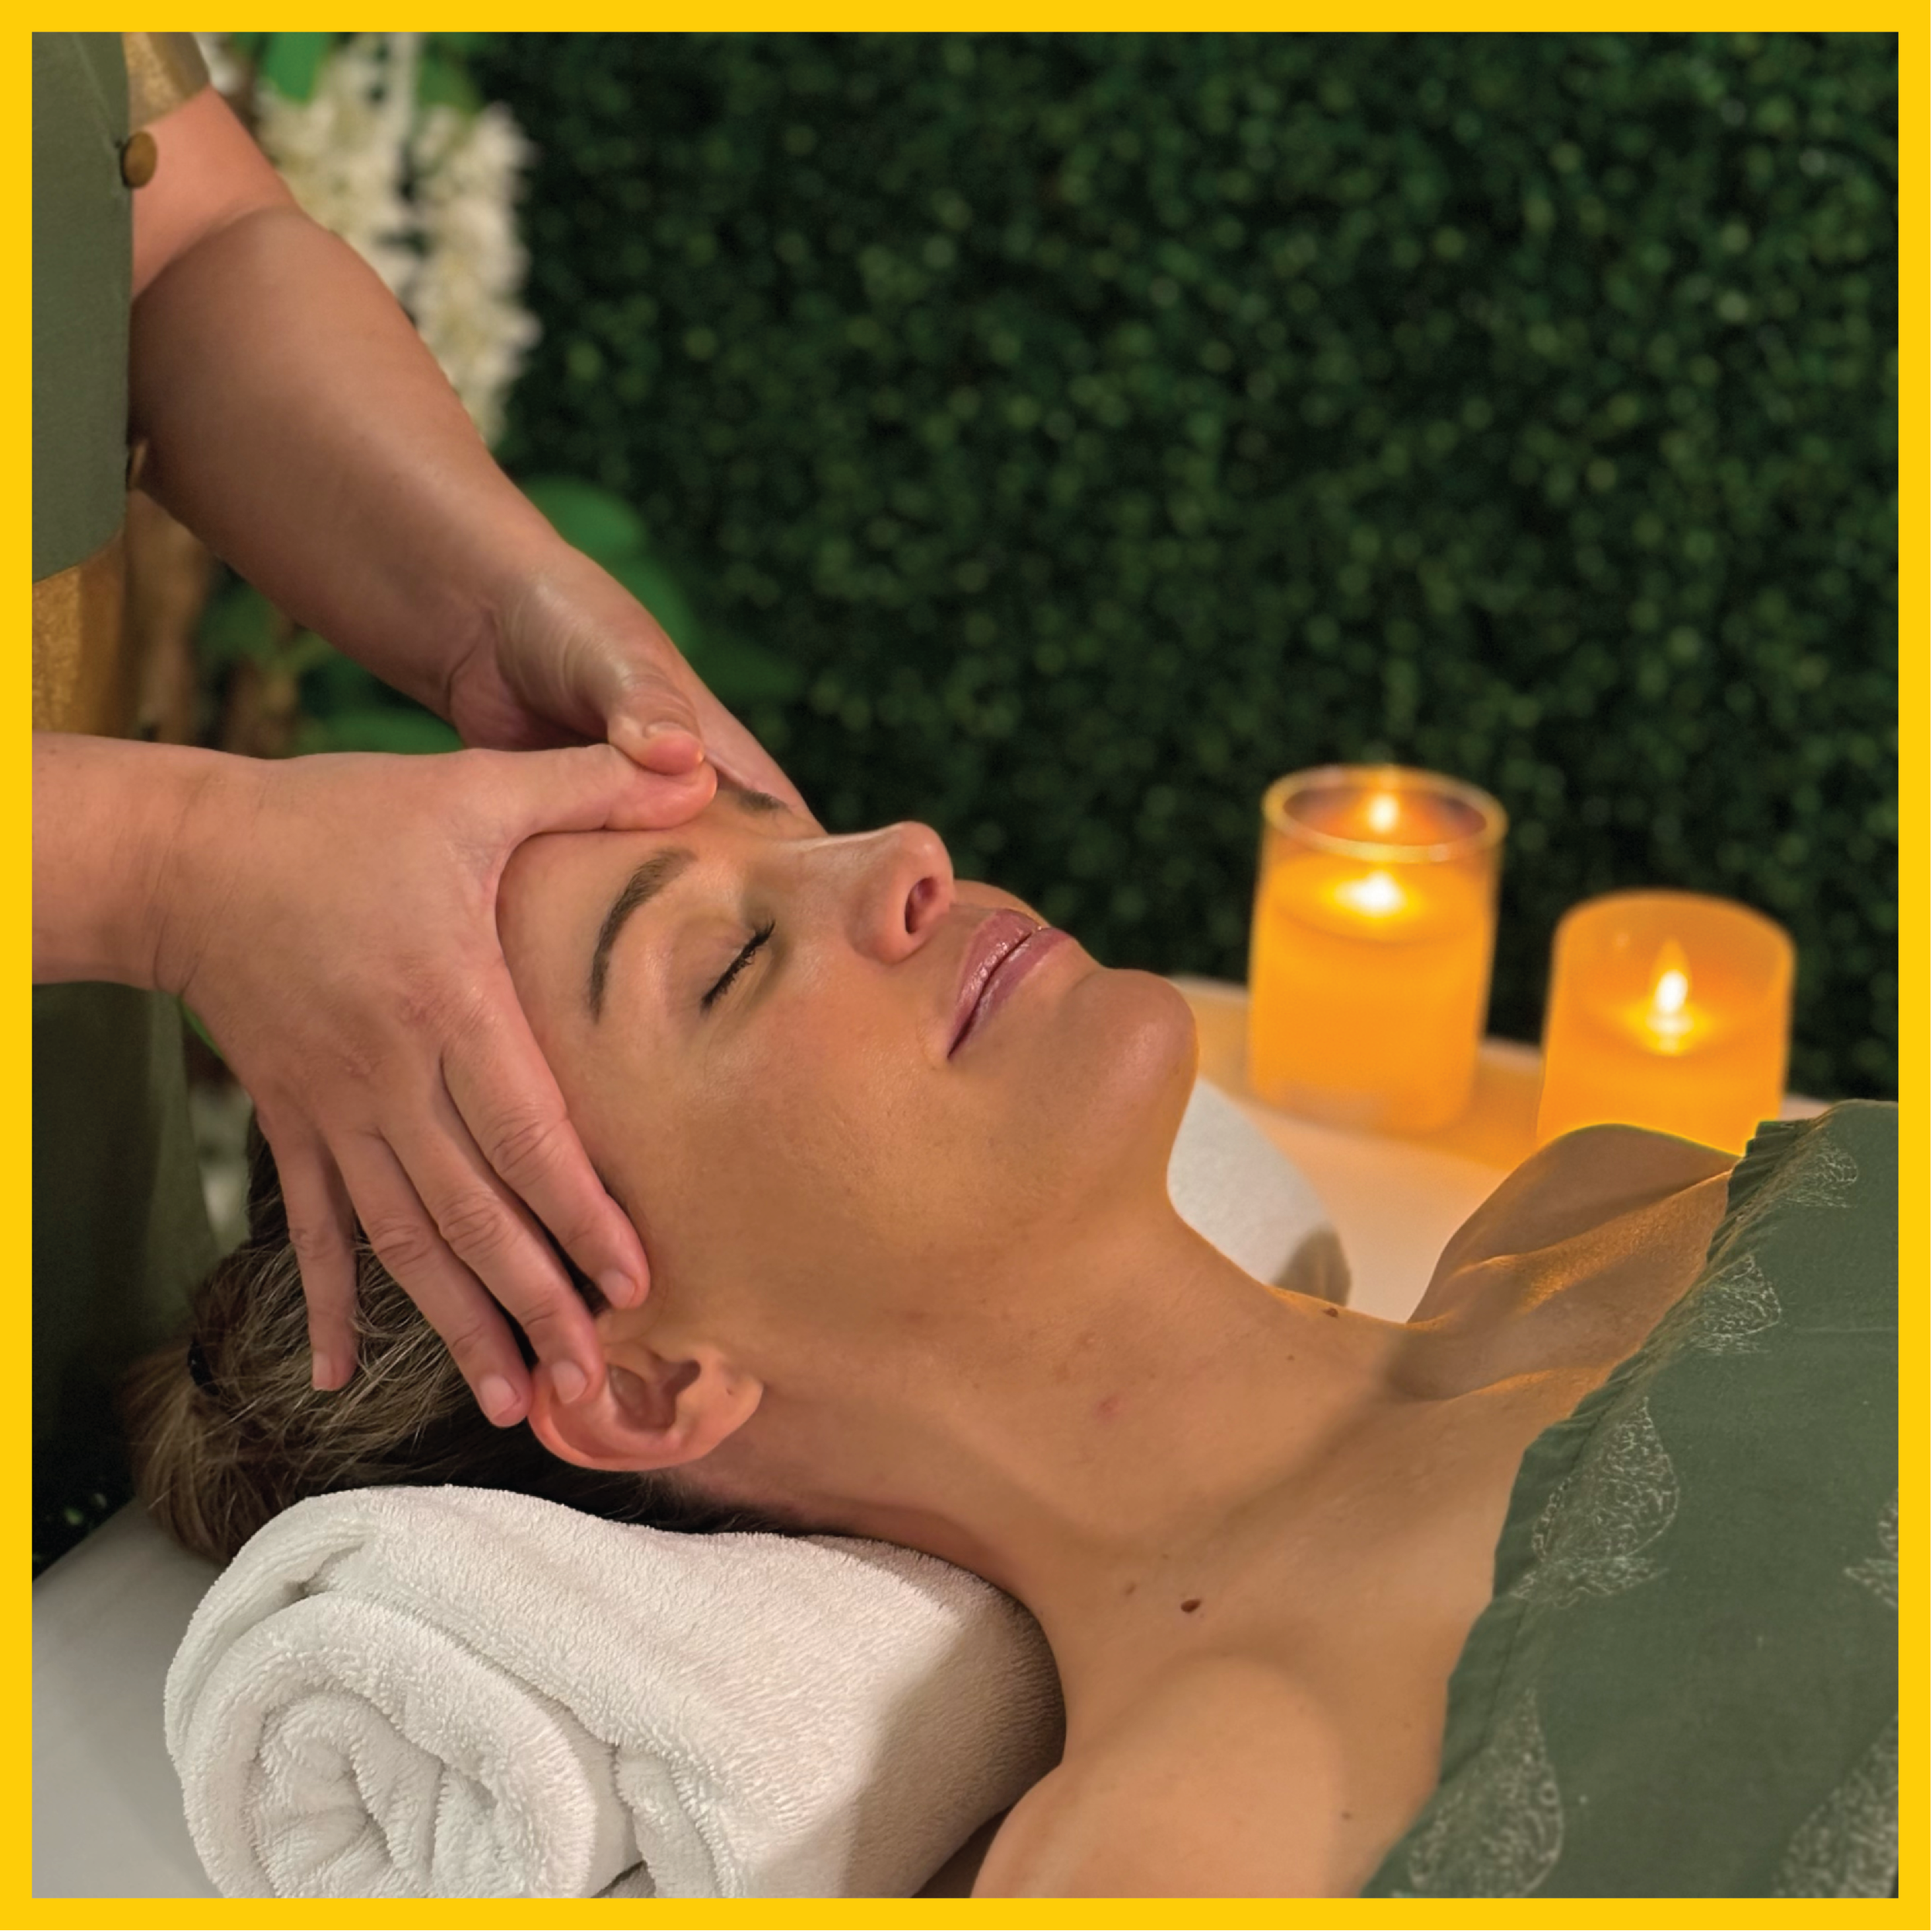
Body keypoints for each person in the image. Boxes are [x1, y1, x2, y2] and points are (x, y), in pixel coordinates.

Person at [127, 787, 1898, 1898]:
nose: (903, 857)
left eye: (785, 822)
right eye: (730, 958)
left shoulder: (1598, 1200)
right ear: (647, 1379)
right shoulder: (1181, 1850)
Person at [32, 31, 799, 1546]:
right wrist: (163, 862)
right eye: (725, 968)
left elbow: (173, 234)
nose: (917, 850)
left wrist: (494, 593)